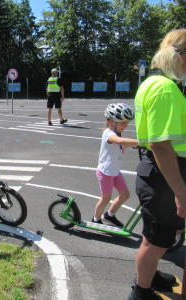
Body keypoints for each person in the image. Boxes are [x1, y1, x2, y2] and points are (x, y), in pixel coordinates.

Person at [128, 29, 186, 300]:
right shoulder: (166, 89)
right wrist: (181, 192)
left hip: (157, 173)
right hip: (165, 175)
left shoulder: (151, 83)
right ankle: (141, 291)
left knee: (155, 237)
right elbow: (162, 146)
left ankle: (148, 277)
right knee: (156, 241)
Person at [92, 103, 139, 227]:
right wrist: (143, 142)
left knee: (125, 195)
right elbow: (120, 142)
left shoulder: (117, 132)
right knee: (106, 198)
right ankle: (96, 219)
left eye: (127, 123)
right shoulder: (108, 133)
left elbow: (121, 144)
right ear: (112, 121)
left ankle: (109, 215)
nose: (126, 126)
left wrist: (135, 145)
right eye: (123, 123)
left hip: (115, 171)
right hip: (106, 172)